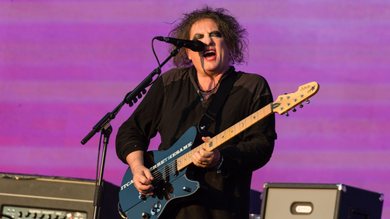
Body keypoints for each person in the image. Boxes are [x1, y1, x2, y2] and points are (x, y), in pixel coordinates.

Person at [116, 6, 277, 219]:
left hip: (222, 208)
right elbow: (132, 130)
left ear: (229, 43)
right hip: (167, 210)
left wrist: (220, 158)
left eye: (215, 35)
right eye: (198, 38)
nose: (207, 41)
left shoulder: (252, 86)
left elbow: (262, 145)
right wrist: (137, 168)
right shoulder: (170, 82)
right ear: (189, 52)